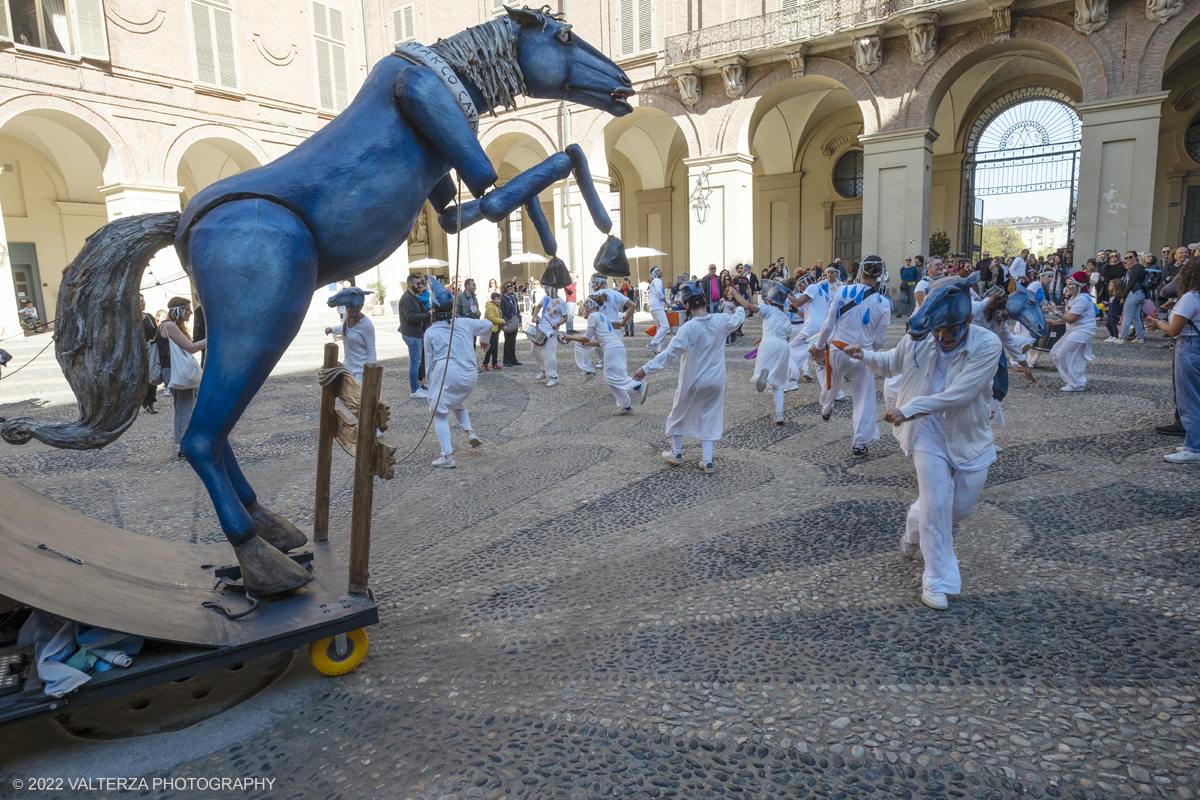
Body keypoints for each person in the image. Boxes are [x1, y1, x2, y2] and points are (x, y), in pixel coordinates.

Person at [846, 276, 1001, 610]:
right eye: (938, 332)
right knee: (936, 502)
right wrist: (865, 356)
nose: (943, 338)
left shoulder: (987, 345)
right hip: (926, 432)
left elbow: (961, 394)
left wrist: (908, 409)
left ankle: (912, 527)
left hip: (967, 434)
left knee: (957, 508)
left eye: (951, 332)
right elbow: (892, 363)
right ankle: (936, 580)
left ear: (969, 321)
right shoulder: (920, 335)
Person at [634, 281, 745, 473]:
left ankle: (676, 453)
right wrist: (739, 300)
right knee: (710, 416)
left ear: (687, 306)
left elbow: (669, 354)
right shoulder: (720, 320)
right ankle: (707, 461)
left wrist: (645, 368)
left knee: (679, 413)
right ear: (705, 301)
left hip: (693, 380)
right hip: (717, 381)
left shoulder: (687, 328)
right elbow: (738, 318)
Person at [811, 254, 891, 457]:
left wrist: (820, 345)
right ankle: (859, 442)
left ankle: (826, 406)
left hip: (838, 349)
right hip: (861, 354)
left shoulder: (843, 291)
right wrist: (868, 352)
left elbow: (829, 324)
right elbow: (880, 341)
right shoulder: (883, 302)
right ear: (880, 274)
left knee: (833, 382)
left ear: (860, 271)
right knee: (863, 397)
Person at [423, 277, 494, 469]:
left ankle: (447, 456)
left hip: (446, 372)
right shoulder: (464, 323)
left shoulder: (430, 332)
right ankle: (470, 432)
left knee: (439, 412)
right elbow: (488, 324)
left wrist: (430, 387)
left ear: (433, 310)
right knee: (454, 400)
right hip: (470, 374)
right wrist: (484, 340)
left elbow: (428, 363)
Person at [1145, 258, 1200, 463]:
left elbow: (1174, 330)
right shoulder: (1191, 298)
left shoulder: (1191, 297)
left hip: (1189, 346)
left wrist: (1159, 323)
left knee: (1189, 398)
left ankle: (1194, 448)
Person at [564, 293, 650, 415]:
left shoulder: (593, 316)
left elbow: (586, 337)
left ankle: (638, 385)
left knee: (612, 377)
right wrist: (587, 344)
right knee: (609, 379)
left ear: (591, 306)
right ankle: (625, 406)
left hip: (612, 349)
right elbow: (600, 342)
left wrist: (571, 338)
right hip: (617, 347)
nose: (583, 307)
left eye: (585, 305)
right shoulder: (602, 316)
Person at [735, 279, 792, 425]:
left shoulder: (769, 310)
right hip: (783, 347)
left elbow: (749, 306)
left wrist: (735, 294)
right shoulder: (786, 318)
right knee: (778, 384)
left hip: (768, 343)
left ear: (770, 301)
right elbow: (787, 337)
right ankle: (779, 414)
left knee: (757, 375)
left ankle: (761, 376)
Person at [158, 296, 206, 455]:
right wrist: (212, 338)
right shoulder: (170, 325)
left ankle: (186, 442)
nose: (191, 312)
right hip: (175, 371)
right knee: (184, 407)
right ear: (179, 310)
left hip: (174, 370)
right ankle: (182, 446)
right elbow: (191, 348)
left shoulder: (170, 325)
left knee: (186, 405)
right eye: (188, 308)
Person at [786, 265, 841, 390]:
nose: (800, 288)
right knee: (820, 361)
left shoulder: (811, 288)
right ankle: (833, 391)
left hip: (812, 328)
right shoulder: (824, 294)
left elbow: (798, 302)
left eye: (800, 285)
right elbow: (807, 314)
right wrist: (796, 311)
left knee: (790, 350)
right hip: (823, 329)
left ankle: (792, 380)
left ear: (805, 281)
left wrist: (786, 294)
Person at [1049, 271, 1097, 392]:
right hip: (1074, 330)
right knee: (1055, 352)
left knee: (1064, 355)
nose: (1067, 287)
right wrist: (1055, 322)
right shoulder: (1074, 298)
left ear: (1079, 286)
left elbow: (1071, 319)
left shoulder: (1082, 299)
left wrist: (1054, 312)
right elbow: (1068, 316)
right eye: (1067, 284)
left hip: (1082, 332)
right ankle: (1072, 381)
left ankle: (1077, 383)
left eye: (1071, 284)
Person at [325, 286, 376, 381]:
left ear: (360, 307)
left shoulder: (367, 325)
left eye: (352, 309)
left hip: (361, 370)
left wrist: (371, 372)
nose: (348, 311)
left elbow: (371, 350)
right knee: (342, 395)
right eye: (347, 308)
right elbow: (345, 328)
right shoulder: (348, 319)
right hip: (347, 367)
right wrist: (332, 329)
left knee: (357, 395)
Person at [531, 281, 568, 387]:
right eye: (544, 288)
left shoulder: (561, 302)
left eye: (547, 288)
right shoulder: (545, 298)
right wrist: (534, 315)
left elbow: (565, 317)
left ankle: (553, 376)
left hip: (551, 332)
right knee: (534, 350)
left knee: (549, 353)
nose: (545, 290)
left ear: (553, 289)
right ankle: (544, 370)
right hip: (541, 329)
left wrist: (557, 324)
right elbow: (538, 307)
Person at [400, 273, 431, 399]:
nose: (420, 286)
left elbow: (423, 310)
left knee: (418, 362)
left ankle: (419, 387)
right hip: (412, 334)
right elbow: (410, 317)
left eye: (421, 283)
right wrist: (428, 315)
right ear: (409, 284)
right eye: (418, 284)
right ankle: (414, 390)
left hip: (416, 333)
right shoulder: (407, 298)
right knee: (415, 363)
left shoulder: (414, 297)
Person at [1117, 251, 1146, 344]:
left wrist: (1123, 296)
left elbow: (1130, 283)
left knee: (1127, 316)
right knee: (1136, 316)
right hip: (1140, 293)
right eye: (1126, 258)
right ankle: (1140, 337)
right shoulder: (1141, 267)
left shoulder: (1135, 268)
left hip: (1133, 292)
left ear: (1136, 257)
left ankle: (1122, 338)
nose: (1128, 259)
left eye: (1130, 257)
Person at [140, 294, 160, 414]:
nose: (144, 303)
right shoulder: (130, 317)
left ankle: (150, 402)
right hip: (137, 351)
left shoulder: (149, 317)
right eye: (141, 302)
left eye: (144, 301)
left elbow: (156, 332)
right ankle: (140, 400)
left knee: (153, 374)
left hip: (150, 349)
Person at [647, 266, 670, 355]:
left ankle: (661, 349)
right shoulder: (658, 281)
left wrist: (670, 301)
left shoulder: (653, 282)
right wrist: (665, 301)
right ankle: (653, 343)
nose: (661, 271)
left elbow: (657, 296)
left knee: (660, 327)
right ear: (654, 273)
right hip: (657, 307)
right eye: (658, 270)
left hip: (653, 306)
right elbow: (659, 292)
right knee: (665, 326)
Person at [500, 280, 522, 367]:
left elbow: (517, 309)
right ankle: (506, 360)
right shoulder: (503, 298)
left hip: (514, 319)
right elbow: (501, 311)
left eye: (511, 286)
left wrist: (519, 320)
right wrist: (503, 324)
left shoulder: (514, 297)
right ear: (504, 288)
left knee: (513, 341)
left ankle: (513, 359)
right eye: (508, 286)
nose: (510, 287)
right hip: (508, 320)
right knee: (508, 341)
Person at [482, 292, 503, 371]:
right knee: (491, 347)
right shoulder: (490, 307)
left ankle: (494, 363)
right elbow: (491, 318)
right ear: (493, 300)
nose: (499, 300)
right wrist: (502, 321)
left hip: (496, 329)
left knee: (495, 347)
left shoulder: (497, 307)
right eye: (497, 299)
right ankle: (485, 363)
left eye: (499, 298)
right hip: (491, 330)